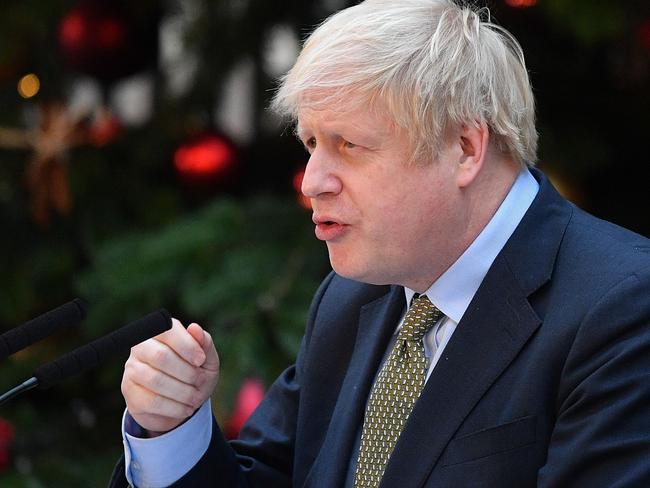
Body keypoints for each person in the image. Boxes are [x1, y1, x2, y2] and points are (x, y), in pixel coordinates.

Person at [109, 1, 650, 486]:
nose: (312, 180)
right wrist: (171, 428)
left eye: (349, 145)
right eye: (312, 143)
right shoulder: (351, 297)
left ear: (465, 148)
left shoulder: (623, 306)